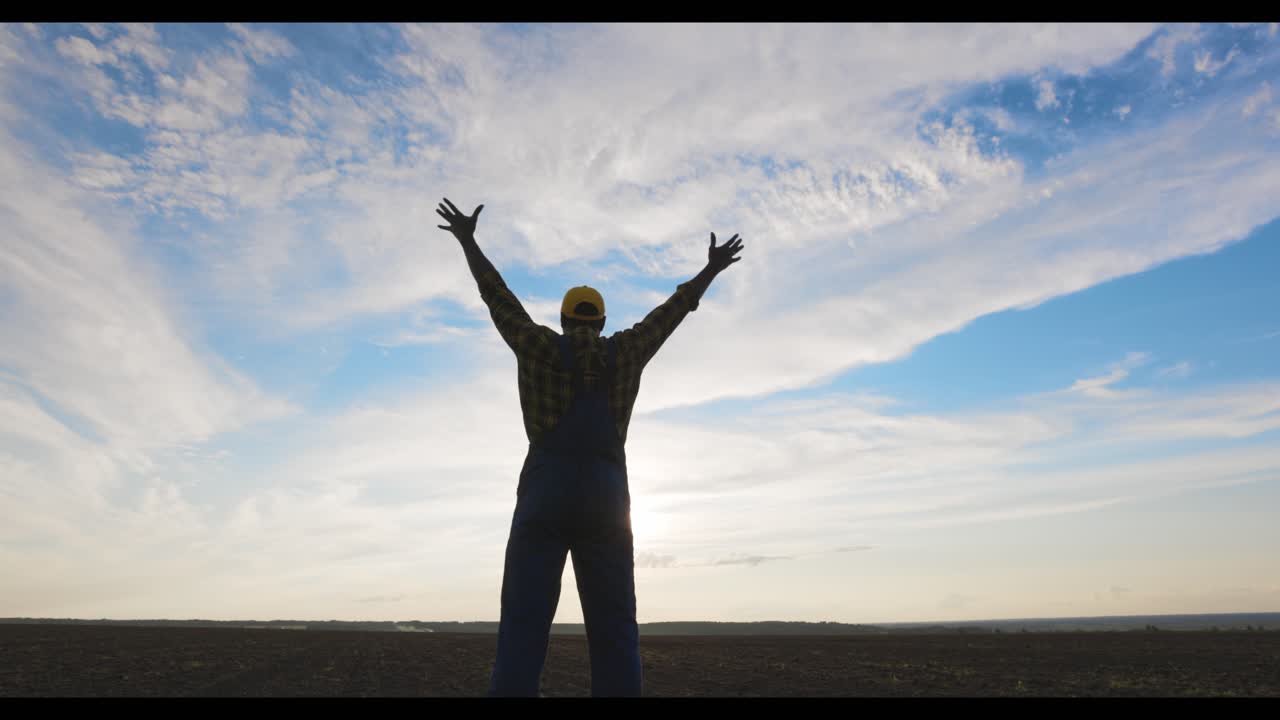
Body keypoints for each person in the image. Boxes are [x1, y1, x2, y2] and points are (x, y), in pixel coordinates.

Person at [435, 197, 744, 697]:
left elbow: (497, 295)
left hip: (543, 498)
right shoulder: (626, 352)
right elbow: (672, 311)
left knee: (523, 623)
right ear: (600, 322)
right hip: (606, 503)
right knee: (615, 626)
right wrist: (709, 270)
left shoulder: (535, 345)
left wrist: (468, 240)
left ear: (562, 320)